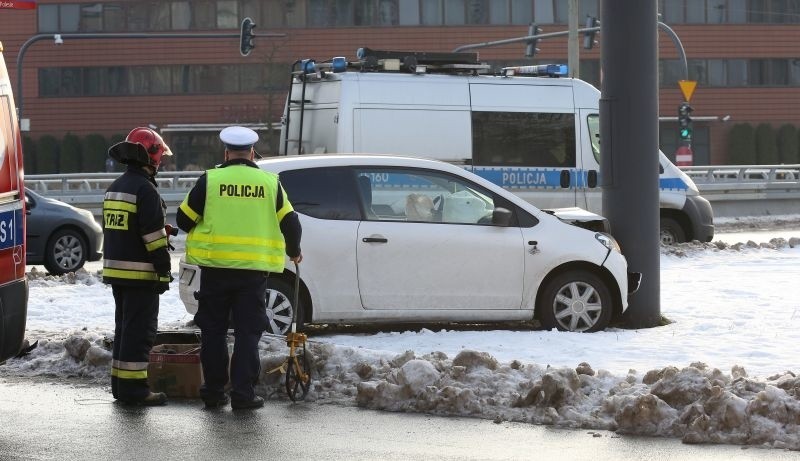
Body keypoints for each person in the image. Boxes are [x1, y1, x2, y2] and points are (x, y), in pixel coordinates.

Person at [176, 126, 302, 410]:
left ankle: (213, 392)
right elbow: (291, 222)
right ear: (253, 153)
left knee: (214, 331)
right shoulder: (270, 184)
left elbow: (183, 220)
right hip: (253, 274)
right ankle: (243, 395)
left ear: (226, 152)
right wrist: (294, 252)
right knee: (247, 333)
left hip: (215, 271)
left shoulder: (210, 180)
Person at [102, 127, 174, 406]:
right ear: (151, 157)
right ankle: (136, 392)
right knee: (140, 334)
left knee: (124, 331)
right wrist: (164, 272)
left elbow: (126, 230)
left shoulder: (115, 188)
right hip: (140, 275)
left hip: (117, 274)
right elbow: (153, 241)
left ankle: (121, 387)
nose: (162, 162)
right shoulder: (146, 190)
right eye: (160, 156)